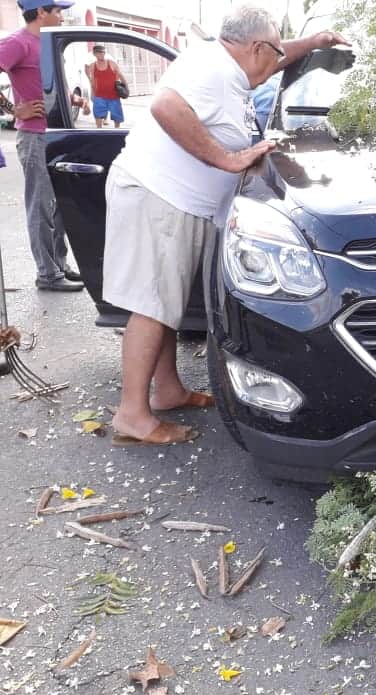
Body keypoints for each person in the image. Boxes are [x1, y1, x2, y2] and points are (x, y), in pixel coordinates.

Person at [102, 6, 347, 446]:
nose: (276, 61)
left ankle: (167, 391)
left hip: (176, 200)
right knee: (151, 303)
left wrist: (312, 43)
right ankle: (132, 414)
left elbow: (278, 53)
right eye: (273, 52)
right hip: (158, 195)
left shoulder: (230, 63)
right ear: (255, 47)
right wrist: (226, 159)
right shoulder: (212, 67)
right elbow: (165, 106)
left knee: (165, 301)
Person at [0, 0, 83, 292]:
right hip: (34, 137)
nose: (62, 15)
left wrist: (71, 100)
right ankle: (47, 274)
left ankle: (58, 265)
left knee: (60, 204)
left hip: (55, 136)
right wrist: (13, 110)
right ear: (41, 12)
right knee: (40, 207)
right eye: (57, 10)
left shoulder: (47, 44)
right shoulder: (17, 42)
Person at [85, 44, 124, 128]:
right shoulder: (92, 66)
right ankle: (99, 132)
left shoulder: (112, 63)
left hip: (114, 96)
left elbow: (121, 76)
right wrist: (92, 95)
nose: (102, 55)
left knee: (117, 117)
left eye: (103, 53)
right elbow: (92, 82)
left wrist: (126, 88)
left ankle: (117, 132)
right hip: (99, 96)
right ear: (94, 54)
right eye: (99, 53)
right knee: (98, 116)